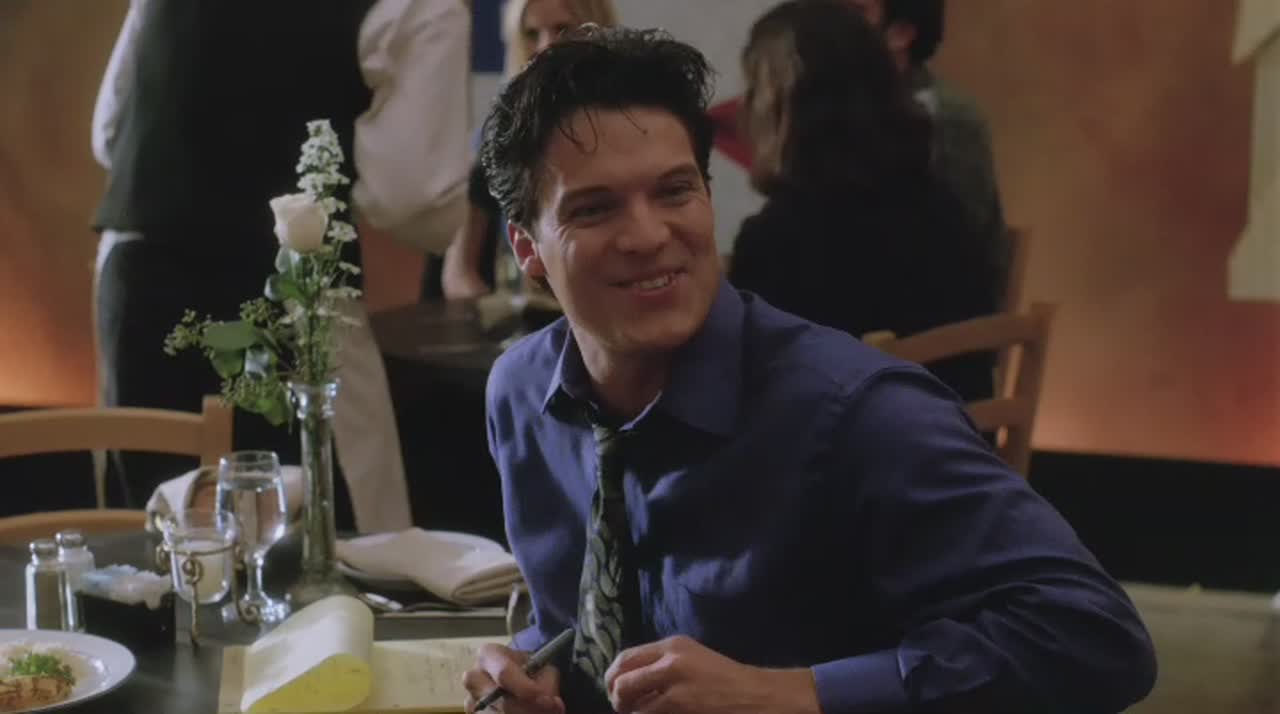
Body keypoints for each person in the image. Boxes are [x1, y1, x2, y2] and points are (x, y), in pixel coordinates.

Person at [463, 20, 1155, 714]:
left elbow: (1097, 638)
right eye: (594, 209)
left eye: (674, 191)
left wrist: (793, 692)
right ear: (526, 249)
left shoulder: (856, 415)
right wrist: (532, 663)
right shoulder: (522, 395)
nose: (647, 235)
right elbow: (583, 619)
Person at [91, 0, 470, 531]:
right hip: (289, 284)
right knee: (334, 538)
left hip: (136, 272)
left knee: (155, 535)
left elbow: (110, 132)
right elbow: (414, 196)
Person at [728, 0, 995, 403]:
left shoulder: (781, 240)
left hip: (862, 441)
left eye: (755, 90)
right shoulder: (942, 208)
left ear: (795, 108)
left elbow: (747, 392)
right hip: (956, 436)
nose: (741, 109)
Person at [428, 0, 619, 302]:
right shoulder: (499, 138)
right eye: (531, 34)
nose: (545, 46)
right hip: (527, 314)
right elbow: (458, 275)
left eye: (563, 29)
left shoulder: (632, 124)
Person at [848, 0, 1009, 302]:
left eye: (854, 12)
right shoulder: (836, 106)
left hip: (931, 312)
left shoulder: (947, 118)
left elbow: (957, 248)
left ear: (901, 33)